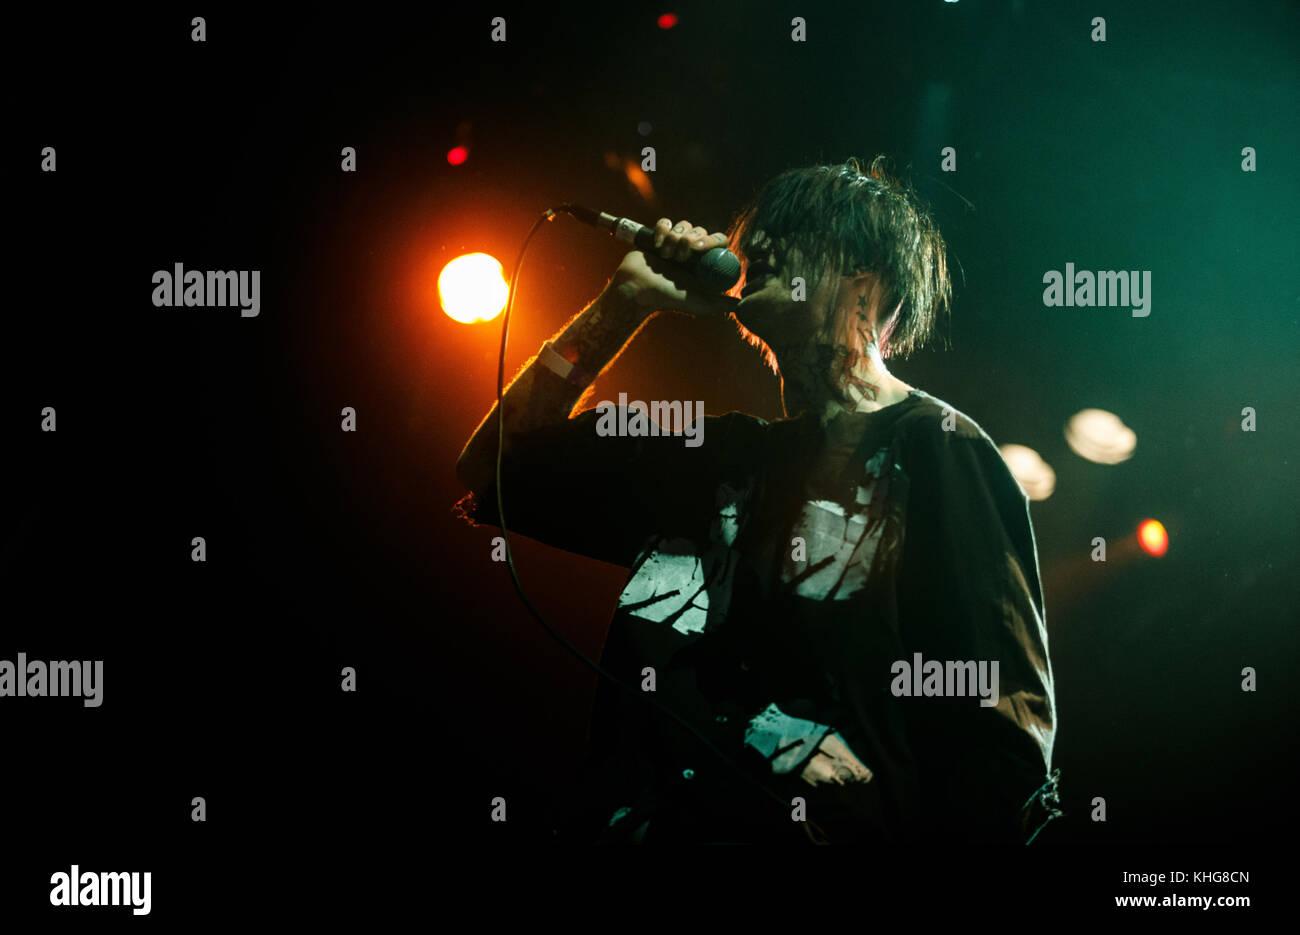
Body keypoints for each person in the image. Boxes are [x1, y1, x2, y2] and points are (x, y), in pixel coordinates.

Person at [455, 156, 1061, 844]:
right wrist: (622, 305)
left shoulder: (937, 447)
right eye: (755, 230)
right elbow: (493, 471)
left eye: (792, 228)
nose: (757, 246)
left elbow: (1004, 736)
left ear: (868, 277)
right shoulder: (711, 457)